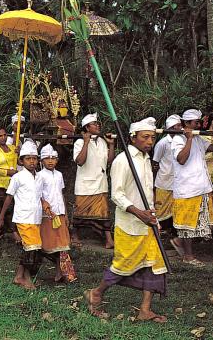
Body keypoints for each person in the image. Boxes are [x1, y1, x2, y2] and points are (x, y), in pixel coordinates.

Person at [85, 117, 167, 322]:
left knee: (153, 265)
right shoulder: (123, 160)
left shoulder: (147, 159)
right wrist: (139, 213)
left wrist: (152, 215)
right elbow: (117, 195)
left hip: (148, 223)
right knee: (123, 265)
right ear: (133, 138)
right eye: (145, 137)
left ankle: (145, 309)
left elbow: (147, 192)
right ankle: (97, 292)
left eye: (152, 138)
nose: (150, 142)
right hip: (130, 224)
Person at [170, 109, 213, 266]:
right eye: (196, 123)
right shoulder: (178, 139)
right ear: (187, 124)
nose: (199, 125)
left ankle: (178, 241)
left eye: (199, 122)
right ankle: (188, 256)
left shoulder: (198, 139)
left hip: (201, 187)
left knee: (200, 224)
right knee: (188, 225)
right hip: (187, 189)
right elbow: (181, 159)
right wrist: (188, 139)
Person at [0, 141, 43, 290]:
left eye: (34, 158)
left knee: (29, 248)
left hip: (36, 217)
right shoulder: (18, 177)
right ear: (21, 161)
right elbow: (9, 197)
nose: (32, 162)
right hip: (23, 218)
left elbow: (40, 196)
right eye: (28, 159)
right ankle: (27, 278)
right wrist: (1, 218)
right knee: (31, 249)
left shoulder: (40, 177)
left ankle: (18, 276)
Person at [71, 113, 115, 248]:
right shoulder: (79, 142)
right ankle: (74, 235)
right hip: (85, 185)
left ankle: (108, 239)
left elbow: (109, 161)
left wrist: (111, 145)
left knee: (104, 212)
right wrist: (85, 142)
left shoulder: (102, 141)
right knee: (80, 213)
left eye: (97, 123)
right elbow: (79, 161)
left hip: (100, 183)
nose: (97, 125)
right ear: (87, 127)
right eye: (94, 124)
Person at [38, 144, 77, 283]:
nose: (50, 161)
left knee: (62, 245)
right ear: (41, 160)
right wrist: (44, 206)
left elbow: (61, 195)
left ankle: (62, 272)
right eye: (47, 158)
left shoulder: (59, 175)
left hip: (59, 213)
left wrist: (65, 214)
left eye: (53, 158)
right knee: (48, 246)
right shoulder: (39, 176)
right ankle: (58, 270)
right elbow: (38, 195)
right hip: (48, 214)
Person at [152, 114, 181, 232]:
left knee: (175, 209)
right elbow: (155, 163)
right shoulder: (162, 143)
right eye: (178, 126)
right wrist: (152, 183)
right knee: (161, 209)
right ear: (172, 128)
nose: (181, 128)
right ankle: (158, 231)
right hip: (164, 182)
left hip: (177, 181)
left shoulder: (182, 141)